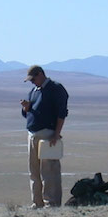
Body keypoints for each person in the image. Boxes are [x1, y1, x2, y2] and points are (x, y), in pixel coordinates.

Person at [20, 65, 69, 208]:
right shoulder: (33, 91)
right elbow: (28, 114)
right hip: (32, 134)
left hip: (48, 134)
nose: (32, 82)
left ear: (40, 74)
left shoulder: (55, 88)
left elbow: (61, 113)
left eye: (33, 79)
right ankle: (37, 202)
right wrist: (26, 108)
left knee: (49, 171)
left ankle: (51, 203)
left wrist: (56, 134)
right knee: (34, 171)